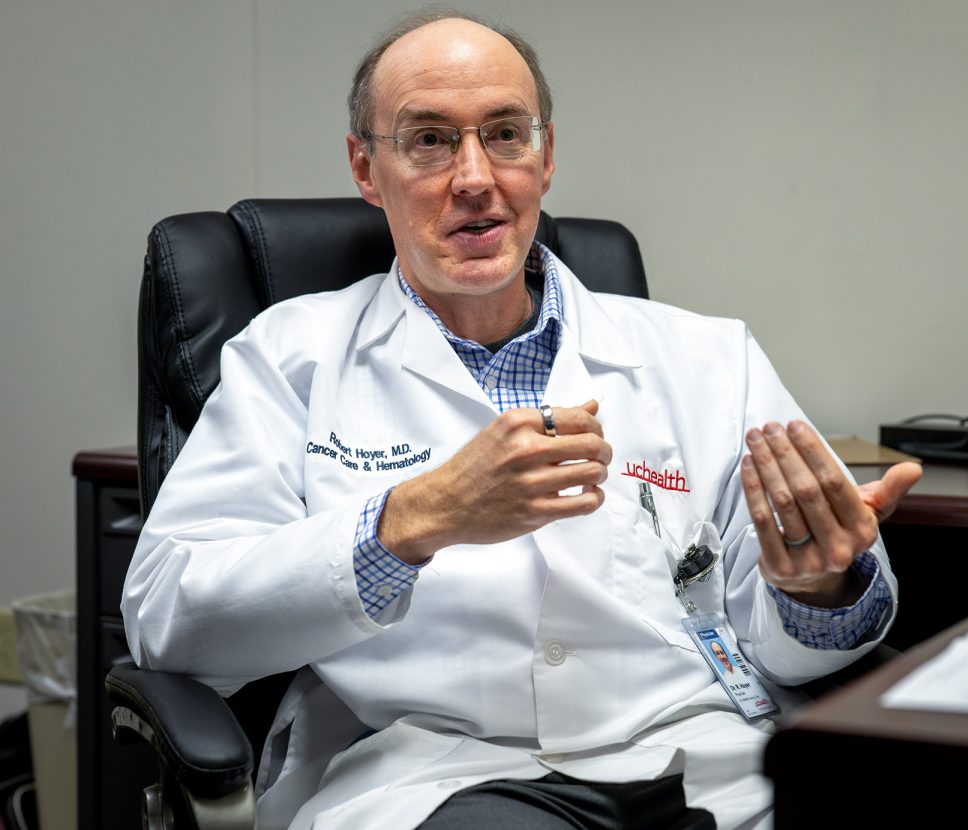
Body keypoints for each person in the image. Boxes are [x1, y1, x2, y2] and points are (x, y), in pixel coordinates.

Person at [122, 10, 922, 830]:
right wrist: (410, 522)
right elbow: (168, 621)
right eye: (429, 140)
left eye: (505, 134)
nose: (475, 177)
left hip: (701, 762)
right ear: (366, 167)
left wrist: (819, 587)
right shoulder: (290, 359)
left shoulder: (711, 358)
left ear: (545, 155)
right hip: (435, 775)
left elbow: (790, 641)